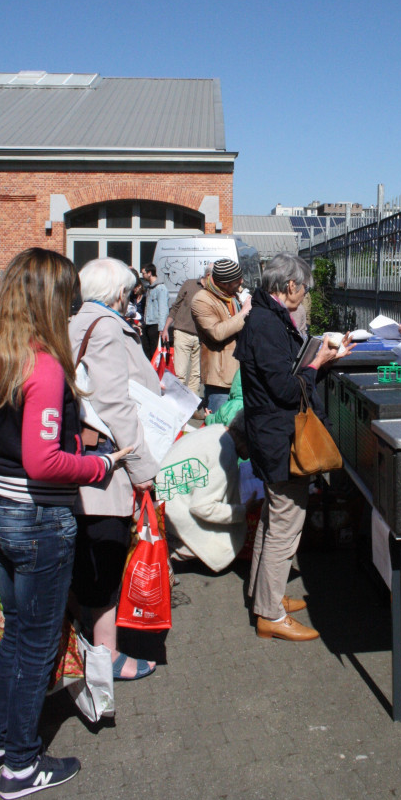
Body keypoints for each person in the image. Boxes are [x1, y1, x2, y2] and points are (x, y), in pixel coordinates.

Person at [0, 248, 130, 799]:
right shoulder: (43, 364)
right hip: (38, 517)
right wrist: (101, 464)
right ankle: (21, 764)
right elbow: (44, 459)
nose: (74, 307)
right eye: (68, 297)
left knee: (14, 636)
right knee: (37, 644)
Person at [234, 253, 350, 642]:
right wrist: (318, 363)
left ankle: (264, 596)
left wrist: (322, 360)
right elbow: (285, 389)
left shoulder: (266, 316)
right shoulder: (267, 323)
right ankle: (269, 613)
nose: (305, 294)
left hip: (272, 433)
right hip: (279, 437)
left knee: (274, 518)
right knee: (285, 523)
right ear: (289, 287)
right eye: (304, 288)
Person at [69, 258, 162, 681]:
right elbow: (114, 402)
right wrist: (142, 465)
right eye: (128, 293)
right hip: (108, 461)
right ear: (119, 293)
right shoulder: (105, 326)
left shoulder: (77, 320)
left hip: (87, 459)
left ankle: (88, 648)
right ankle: (106, 658)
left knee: (90, 558)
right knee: (104, 557)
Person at [163, 412, 251, 571]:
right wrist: (243, 511)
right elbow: (202, 507)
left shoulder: (215, 432)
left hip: (164, 498)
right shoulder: (225, 454)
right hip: (172, 513)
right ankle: (171, 551)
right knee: (223, 542)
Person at [191, 259, 252, 412]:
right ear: (224, 283)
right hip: (220, 378)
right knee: (219, 428)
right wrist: (244, 312)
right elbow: (217, 333)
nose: (241, 282)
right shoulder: (201, 300)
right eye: (236, 281)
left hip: (239, 374)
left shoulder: (231, 295)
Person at [161, 272, 205, 396]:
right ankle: (175, 401)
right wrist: (165, 328)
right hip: (182, 332)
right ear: (208, 276)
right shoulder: (189, 284)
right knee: (180, 373)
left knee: (196, 374)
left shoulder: (212, 291)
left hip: (200, 337)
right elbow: (175, 307)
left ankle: (191, 404)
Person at [140, 263, 169, 359]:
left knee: (155, 352)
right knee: (147, 351)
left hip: (155, 325)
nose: (142, 276)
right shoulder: (150, 288)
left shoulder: (160, 288)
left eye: (143, 273)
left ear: (149, 273)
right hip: (148, 324)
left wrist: (162, 328)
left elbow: (163, 309)